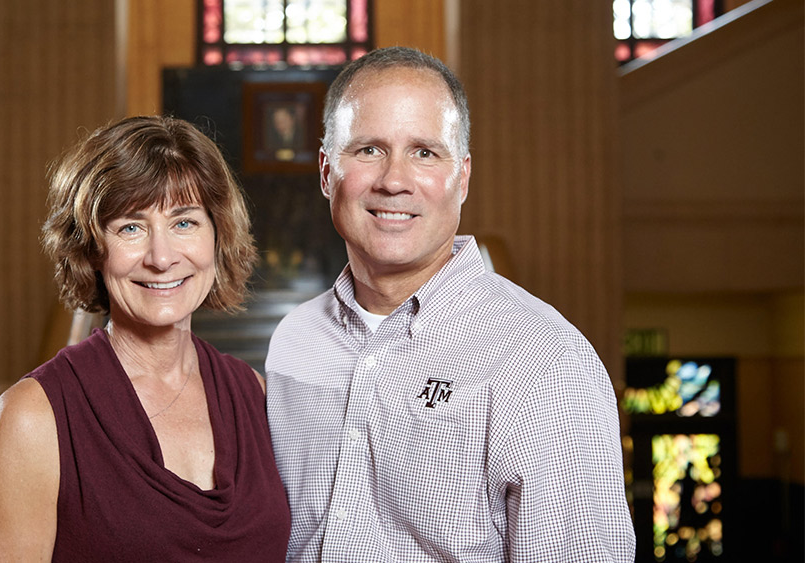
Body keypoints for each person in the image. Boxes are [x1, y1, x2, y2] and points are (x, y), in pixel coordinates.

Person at [265, 46, 636, 561]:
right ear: (327, 172)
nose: (394, 180)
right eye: (368, 149)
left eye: (424, 152)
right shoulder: (294, 342)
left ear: (462, 178)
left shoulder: (547, 364)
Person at [0, 116, 291, 562]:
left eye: (184, 223)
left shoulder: (254, 394)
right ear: (91, 248)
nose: (161, 258)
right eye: (130, 228)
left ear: (218, 237)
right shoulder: (31, 418)